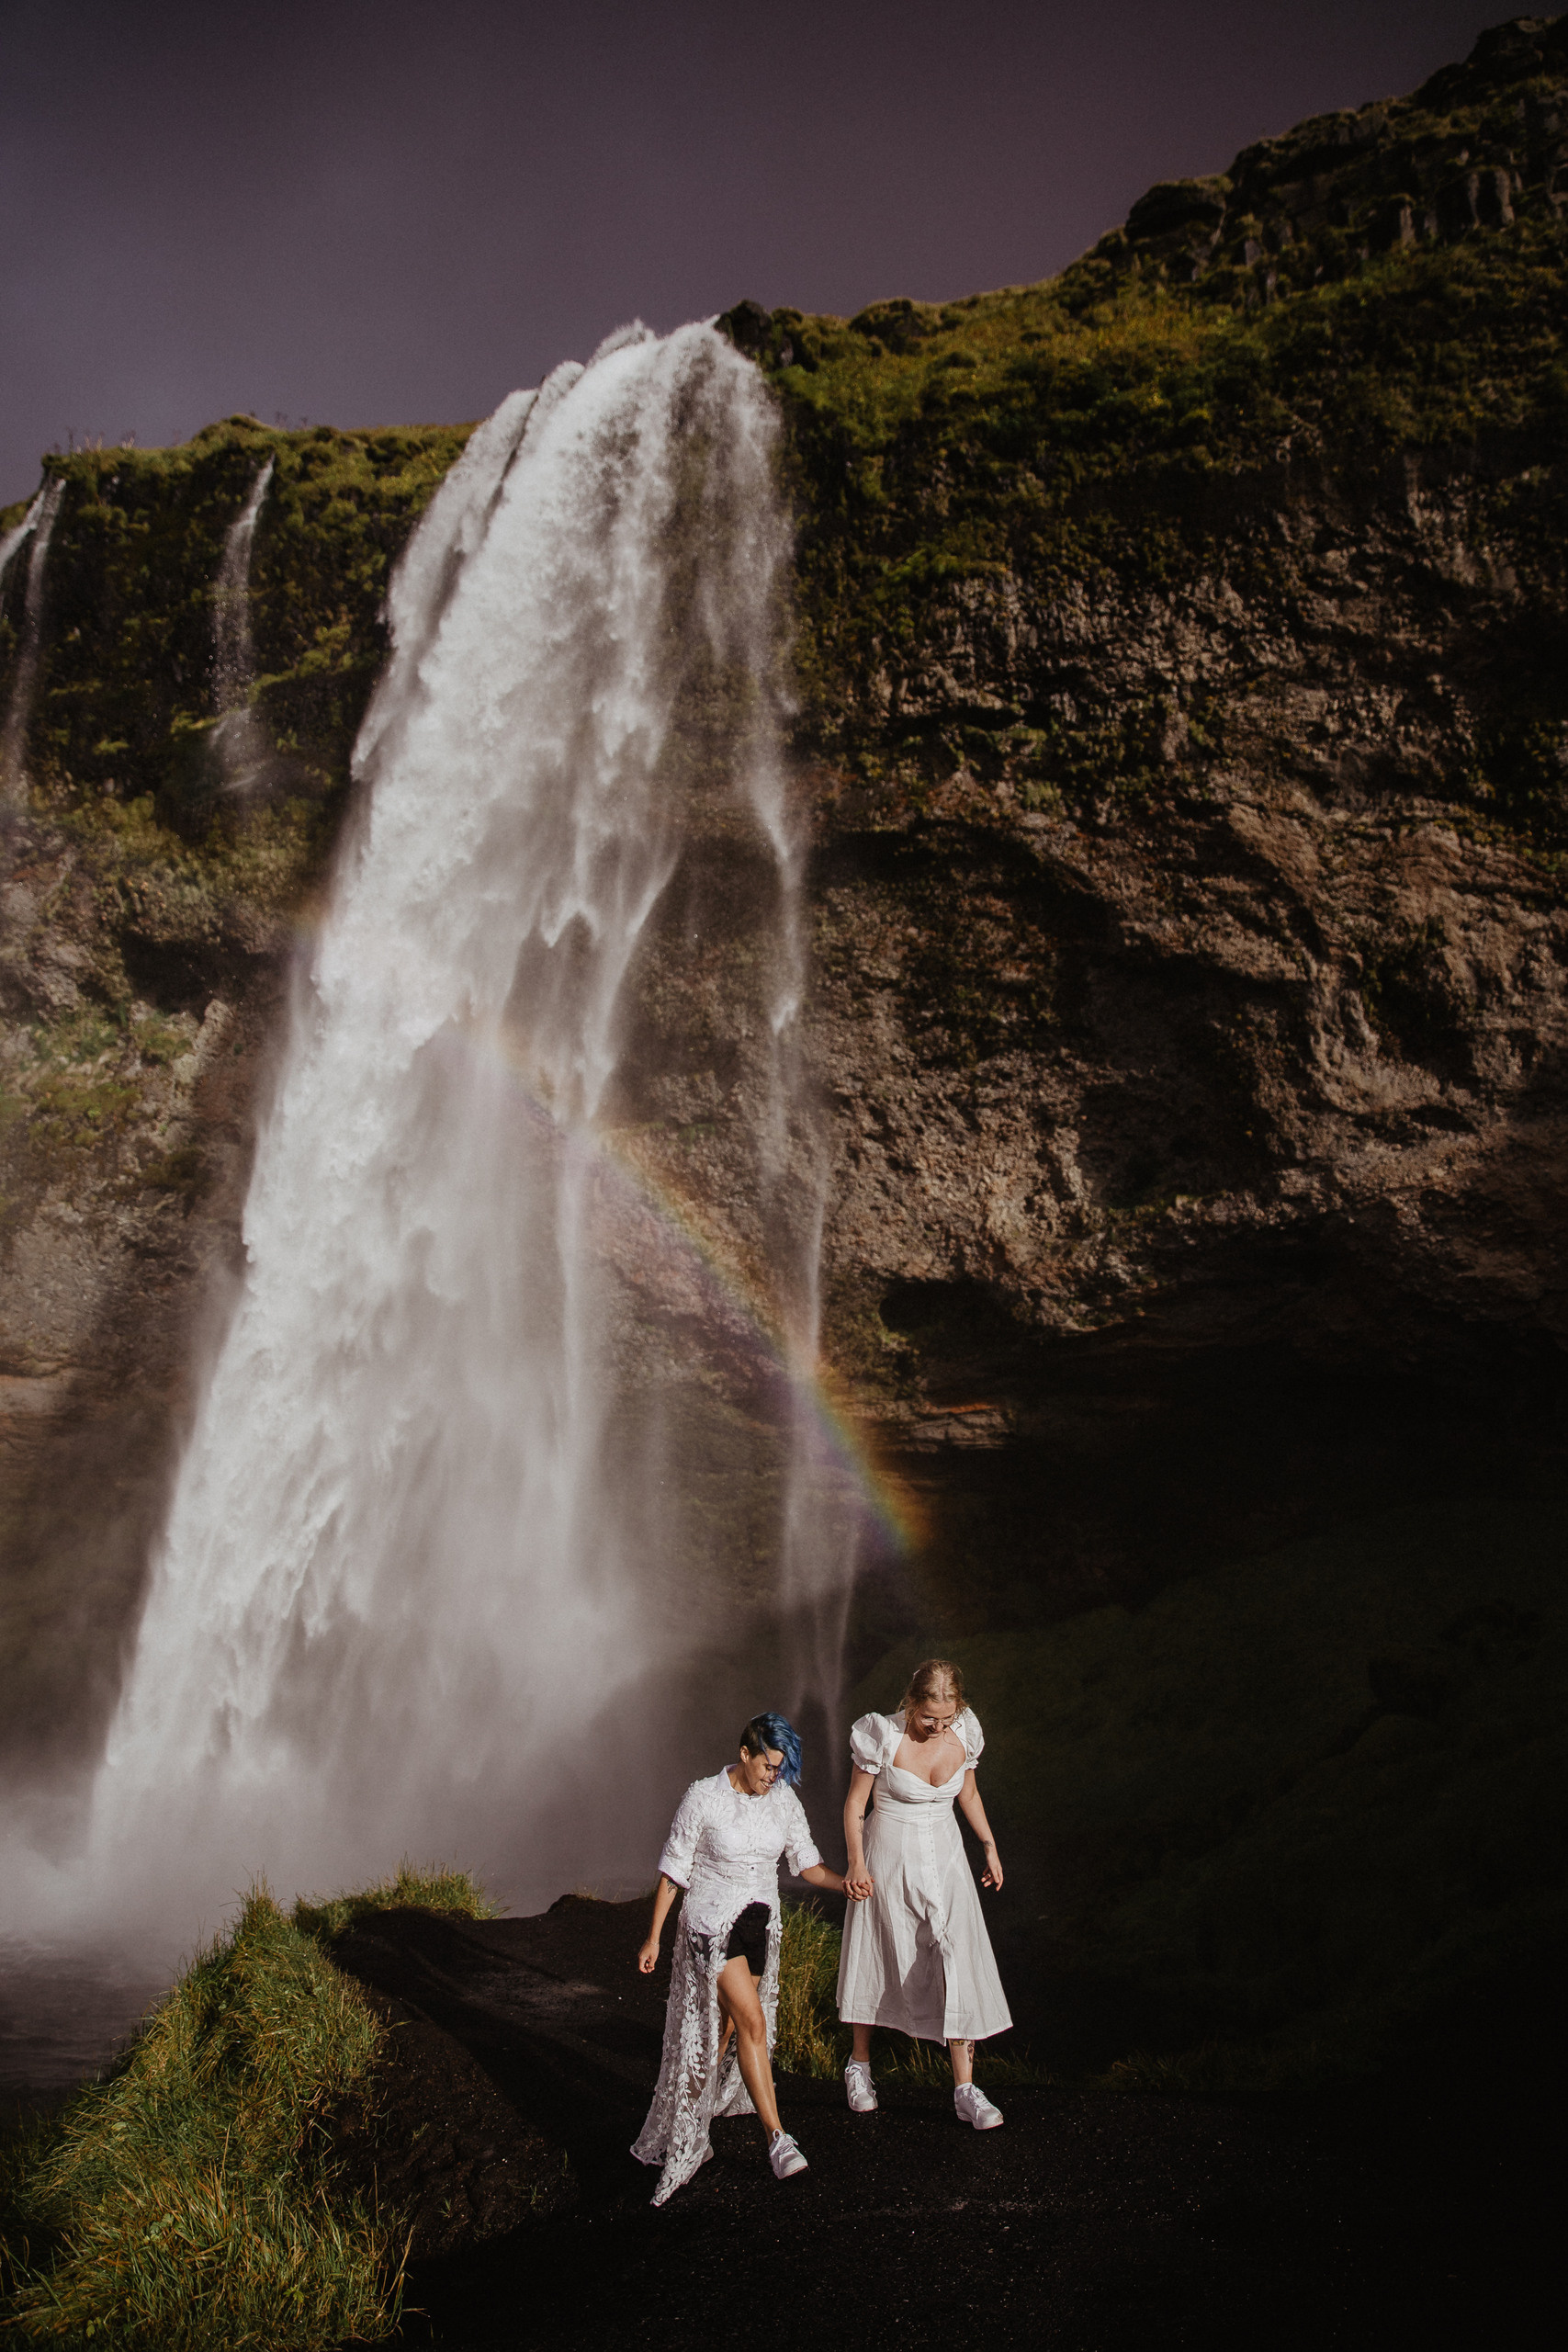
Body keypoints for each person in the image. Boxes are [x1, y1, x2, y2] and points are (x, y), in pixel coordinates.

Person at [633, 1709, 867, 2204]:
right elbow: (675, 1869)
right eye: (767, 1766)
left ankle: (688, 2125)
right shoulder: (704, 1796)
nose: (772, 1776)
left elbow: (807, 1864)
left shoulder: (783, 1801)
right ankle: (776, 2138)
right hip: (710, 1924)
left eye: (779, 1768)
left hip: (758, 1924)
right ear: (744, 1754)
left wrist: (844, 1882)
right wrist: (653, 1936)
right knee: (754, 2021)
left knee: (726, 2030)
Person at [837, 1657, 1011, 2128]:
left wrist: (989, 1847)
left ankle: (965, 2090)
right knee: (876, 1954)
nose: (936, 1728)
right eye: (928, 1718)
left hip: (947, 1859)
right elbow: (855, 1806)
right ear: (911, 1702)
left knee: (957, 1958)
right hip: (889, 1860)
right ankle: (859, 2067)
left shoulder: (964, 1734)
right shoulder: (881, 1735)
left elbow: (968, 1796)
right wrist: (856, 1862)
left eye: (946, 1719)